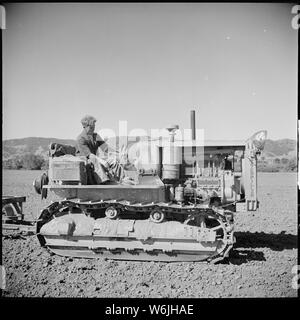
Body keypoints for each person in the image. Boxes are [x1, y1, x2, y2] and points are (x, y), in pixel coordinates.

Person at [76, 115, 131, 184]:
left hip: (95, 159)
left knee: (112, 161)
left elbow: (106, 148)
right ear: (85, 127)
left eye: (94, 126)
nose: (93, 128)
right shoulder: (80, 139)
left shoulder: (95, 136)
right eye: (91, 126)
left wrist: (119, 154)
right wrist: (102, 161)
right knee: (95, 160)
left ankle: (124, 179)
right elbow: (89, 155)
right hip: (85, 161)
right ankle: (105, 182)